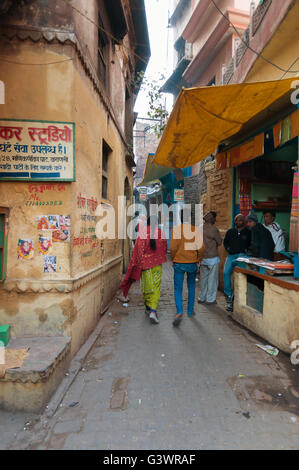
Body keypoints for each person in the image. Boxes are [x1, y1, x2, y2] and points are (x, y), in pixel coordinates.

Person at [121, 215, 167, 324]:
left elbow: (137, 251)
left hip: (145, 265)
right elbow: (164, 248)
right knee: (156, 287)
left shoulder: (142, 233)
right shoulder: (160, 233)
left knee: (146, 286)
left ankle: (147, 307)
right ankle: (153, 311)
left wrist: (137, 264)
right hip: (157, 265)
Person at [170, 209, 204, 327]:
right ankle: (190, 310)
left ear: (181, 218)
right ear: (190, 218)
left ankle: (179, 311)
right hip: (192, 262)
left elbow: (173, 248)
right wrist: (198, 260)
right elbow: (201, 248)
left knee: (178, 288)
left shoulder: (176, 230)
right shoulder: (196, 231)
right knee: (191, 286)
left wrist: (173, 259)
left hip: (179, 262)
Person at [223, 214, 251, 311]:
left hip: (242, 256)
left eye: (240, 220)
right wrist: (228, 248)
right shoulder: (230, 231)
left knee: (239, 275)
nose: (238, 222)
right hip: (231, 255)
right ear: (234, 221)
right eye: (236, 220)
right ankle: (229, 295)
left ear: (244, 222)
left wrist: (247, 251)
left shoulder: (248, 232)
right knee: (226, 273)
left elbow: (250, 243)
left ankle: (236, 298)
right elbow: (225, 242)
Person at [198, 211, 222, 305]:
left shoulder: (200, 228)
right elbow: (219, 242)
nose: (215, 220)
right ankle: (210, 299)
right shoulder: (214, 229)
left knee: (203, 279)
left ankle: (201, 297)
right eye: (215, 218)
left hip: (203, 257)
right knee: (212, 280)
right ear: (212, 219)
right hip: (212, 258)